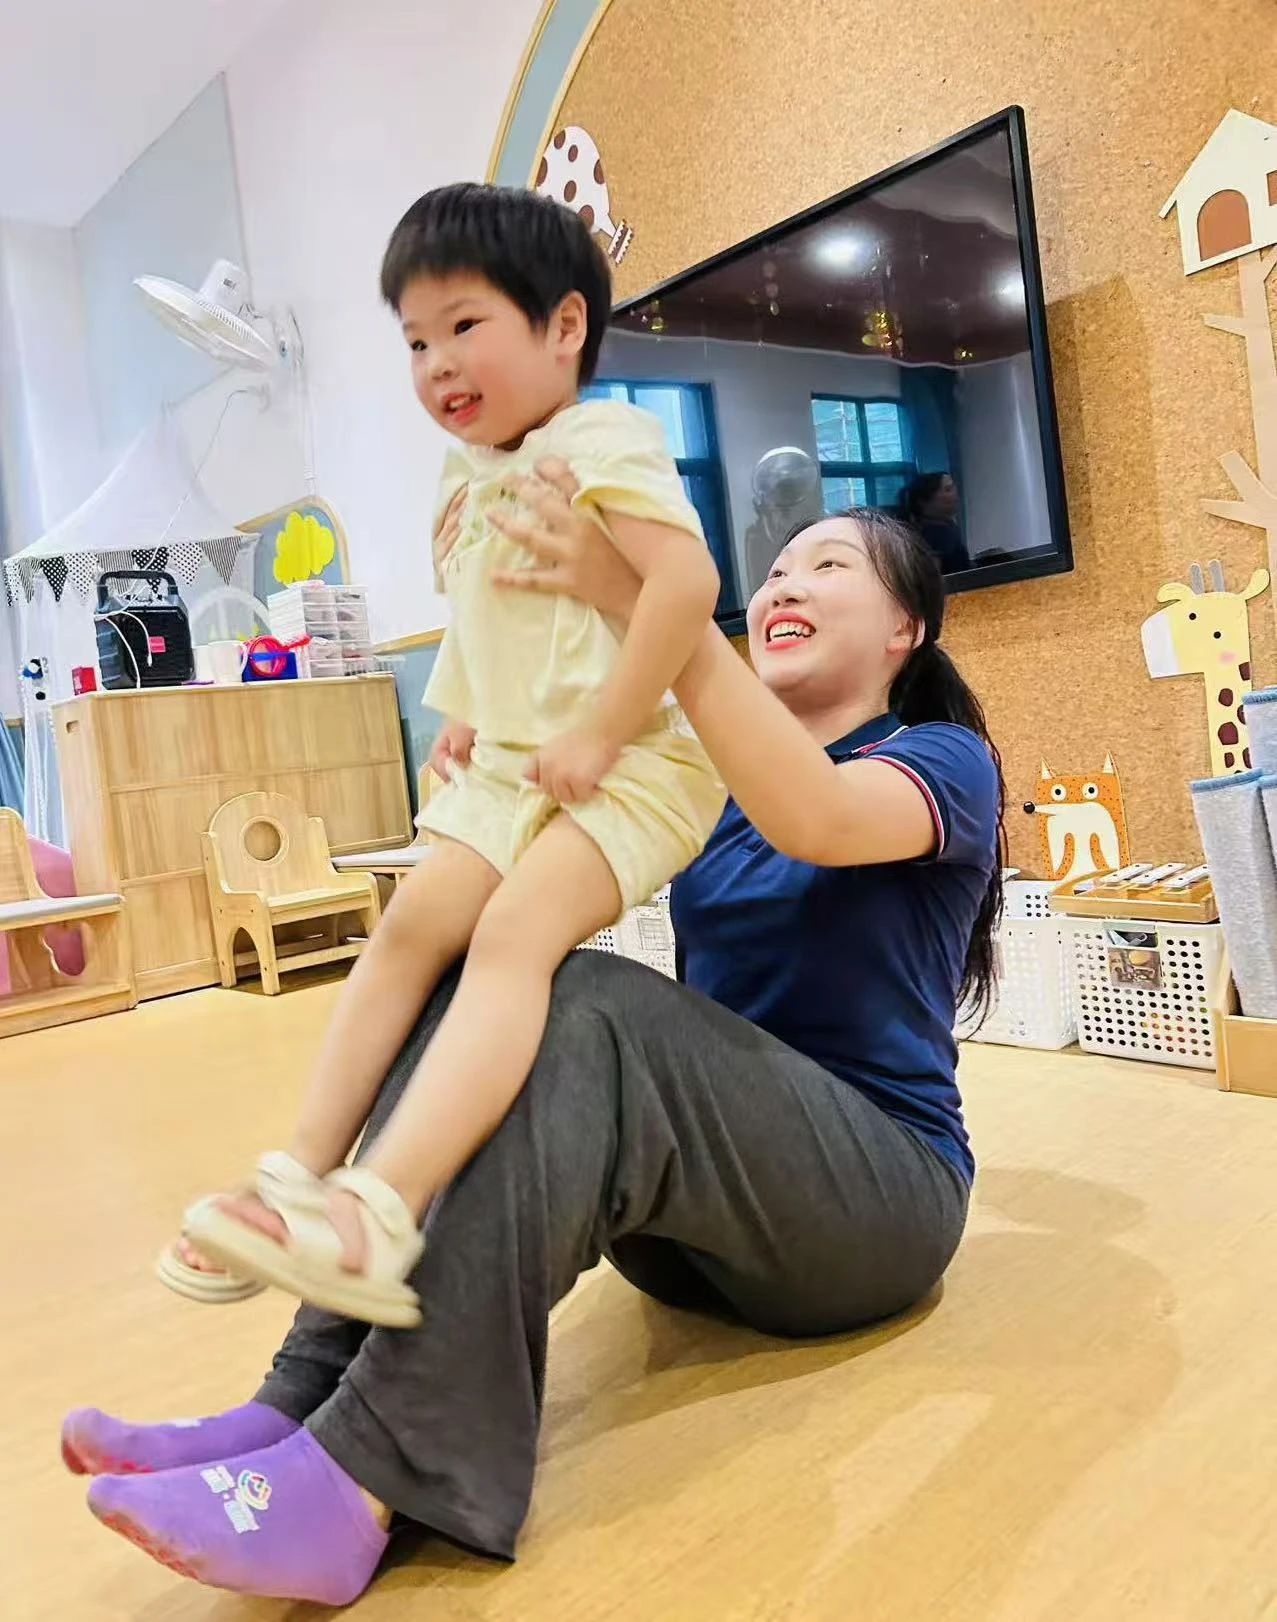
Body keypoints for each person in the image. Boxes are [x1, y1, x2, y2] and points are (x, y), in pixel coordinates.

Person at [64, 495, 1003, 1607]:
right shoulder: (697, 774)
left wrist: (660, 607)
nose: (785, 584)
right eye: (776, 571)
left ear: (904, 629)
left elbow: (819, 820)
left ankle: (366, 1477)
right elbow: (511, 883)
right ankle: (297, 1403)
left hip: (873, 1208)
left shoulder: (938, 760)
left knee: (598, 1002)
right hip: (690, 1232)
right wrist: (489, 732)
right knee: (480, 982)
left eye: (830, 565)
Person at [178, 183, 725, 1329]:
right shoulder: (465, 471)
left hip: (636, 762)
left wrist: (601, 729)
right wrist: (465, 716)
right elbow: (487, 609)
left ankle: (381, 1206)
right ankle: (293, 1181)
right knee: (409, 926)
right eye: (416, 340)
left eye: (463, 325)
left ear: (563, 325)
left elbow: (684, 586)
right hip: (517, 754)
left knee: (513, 934)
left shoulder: (602, 440)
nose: (436, 364)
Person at [903, 472, 969, 574]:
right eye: (948, 489)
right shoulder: (928, 537)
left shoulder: (948, 527)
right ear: (924, 501)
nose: (955, 494)